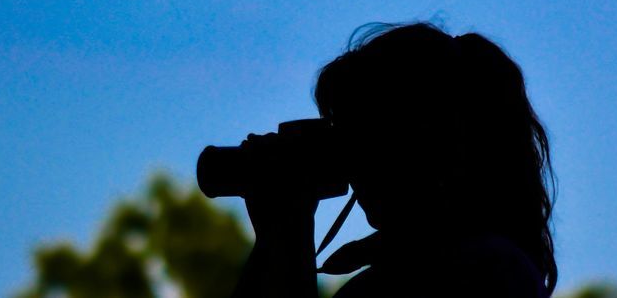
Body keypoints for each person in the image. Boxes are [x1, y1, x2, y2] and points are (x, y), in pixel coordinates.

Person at [229, 23, 557, 298]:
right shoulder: (490, 264)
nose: (351, 160)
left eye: (362, 134)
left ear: (425, 142)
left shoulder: (483, 271)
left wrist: (285, 237)